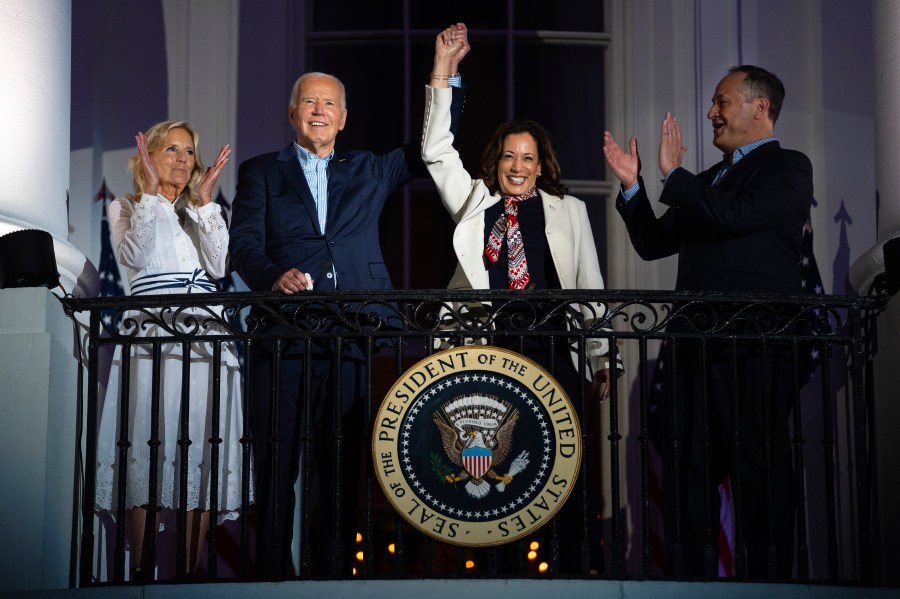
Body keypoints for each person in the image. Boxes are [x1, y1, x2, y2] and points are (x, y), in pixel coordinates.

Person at [228, 25, 469, 578]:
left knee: (341, 466)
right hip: (285, 335)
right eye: (308, 102)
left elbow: (435, 143)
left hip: (354, 333)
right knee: (278, 460)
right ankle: (270, 577)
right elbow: (243, 244)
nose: (318, 110)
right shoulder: (262, 171)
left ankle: (333, 576)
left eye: (329, 103)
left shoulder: (368, 168)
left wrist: (445, 73)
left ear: (344, 118)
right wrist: (273, 277)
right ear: (292, 114)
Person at [603, 65, 813, 578]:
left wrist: (676, 179)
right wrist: (634, 189)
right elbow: (655, 244)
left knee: (757, 469)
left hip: (754, 347)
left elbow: (738, 214)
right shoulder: (705, 182)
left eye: (721, 102)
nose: (710, 113)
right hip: (694, 352)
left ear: (759, 108)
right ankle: (689, 587)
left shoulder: (787, 167)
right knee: (687, 476)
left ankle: (771, 587)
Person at [422, 29, 616, 575]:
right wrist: (443, 73)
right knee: (496, 476)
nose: (517, 165)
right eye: (509, 155)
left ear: (540, 163)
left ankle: (573, 571)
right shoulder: (476, 204)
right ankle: (494, 574)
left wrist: (602, 357)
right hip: (491, 351)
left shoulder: (568, 211)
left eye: (527, 158)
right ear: (498, 160)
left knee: (563, 468)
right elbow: (436, 152)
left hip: (555, 348)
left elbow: (590, 286)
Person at [95, 121, 251, 580]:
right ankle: (143, 570)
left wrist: (205, 205)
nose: (183, 159)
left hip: (205, 340)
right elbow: (135, 257)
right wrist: (149, 193)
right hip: (151, 337)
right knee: (148, 440)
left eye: (189, 152)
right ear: (147, 156)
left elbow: (221, 264)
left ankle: (186, 573)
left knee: (200, 450)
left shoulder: (199, 211)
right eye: (171, 149)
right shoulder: (126, 206)